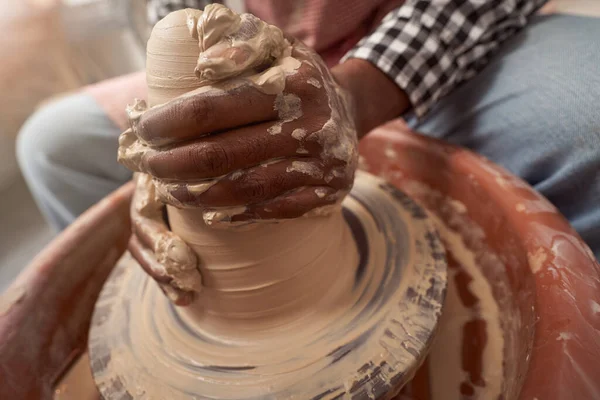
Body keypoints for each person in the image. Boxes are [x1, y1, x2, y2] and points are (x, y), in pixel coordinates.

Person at [17, 0, 600, 264]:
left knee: (590, 123)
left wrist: (360, 92)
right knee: (55, 148)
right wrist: (165, 164)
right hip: (242, 60)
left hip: (413, 47)